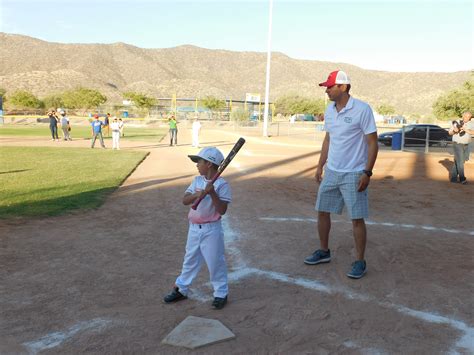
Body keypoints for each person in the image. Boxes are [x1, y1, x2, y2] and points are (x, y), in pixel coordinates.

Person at [304, 70, 378, 279]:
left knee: (356, 218)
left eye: (330, 86)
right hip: (332, 172)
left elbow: (373, 142)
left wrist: (367, 172)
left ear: (343, 87)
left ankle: (360, 261)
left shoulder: (362, 109)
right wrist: (320, 165)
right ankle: (324, 251)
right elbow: (328, 139)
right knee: (322, 211)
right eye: (326, 87)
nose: (326, 90)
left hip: (354, 173)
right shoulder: (329, 109)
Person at [163, 147, 231, 309]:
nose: (196, 165)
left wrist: (212, 193)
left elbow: (222, 210)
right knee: (190, 260)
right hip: (193, 229)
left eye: (199, 162)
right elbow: (185, 200)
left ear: (209, 164)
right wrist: (197, 195)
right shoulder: (197, 181)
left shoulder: (222, 184)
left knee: (215, 262)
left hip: (211, 230)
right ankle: (181, 289)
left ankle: (221, 293)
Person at [448, 111, 474, 184]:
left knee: (461, 161)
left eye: (469, 117)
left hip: (467, 144)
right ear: (462, 116)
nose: (467, 118)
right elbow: (449, 133)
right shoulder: (456, 122)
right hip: (457, 144)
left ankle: (453, 178)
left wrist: (466, 130)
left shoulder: (472, 124)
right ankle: (462, 179)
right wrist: (454, 130)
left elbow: (473, 132)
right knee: (460, 162)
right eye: (465, 116)